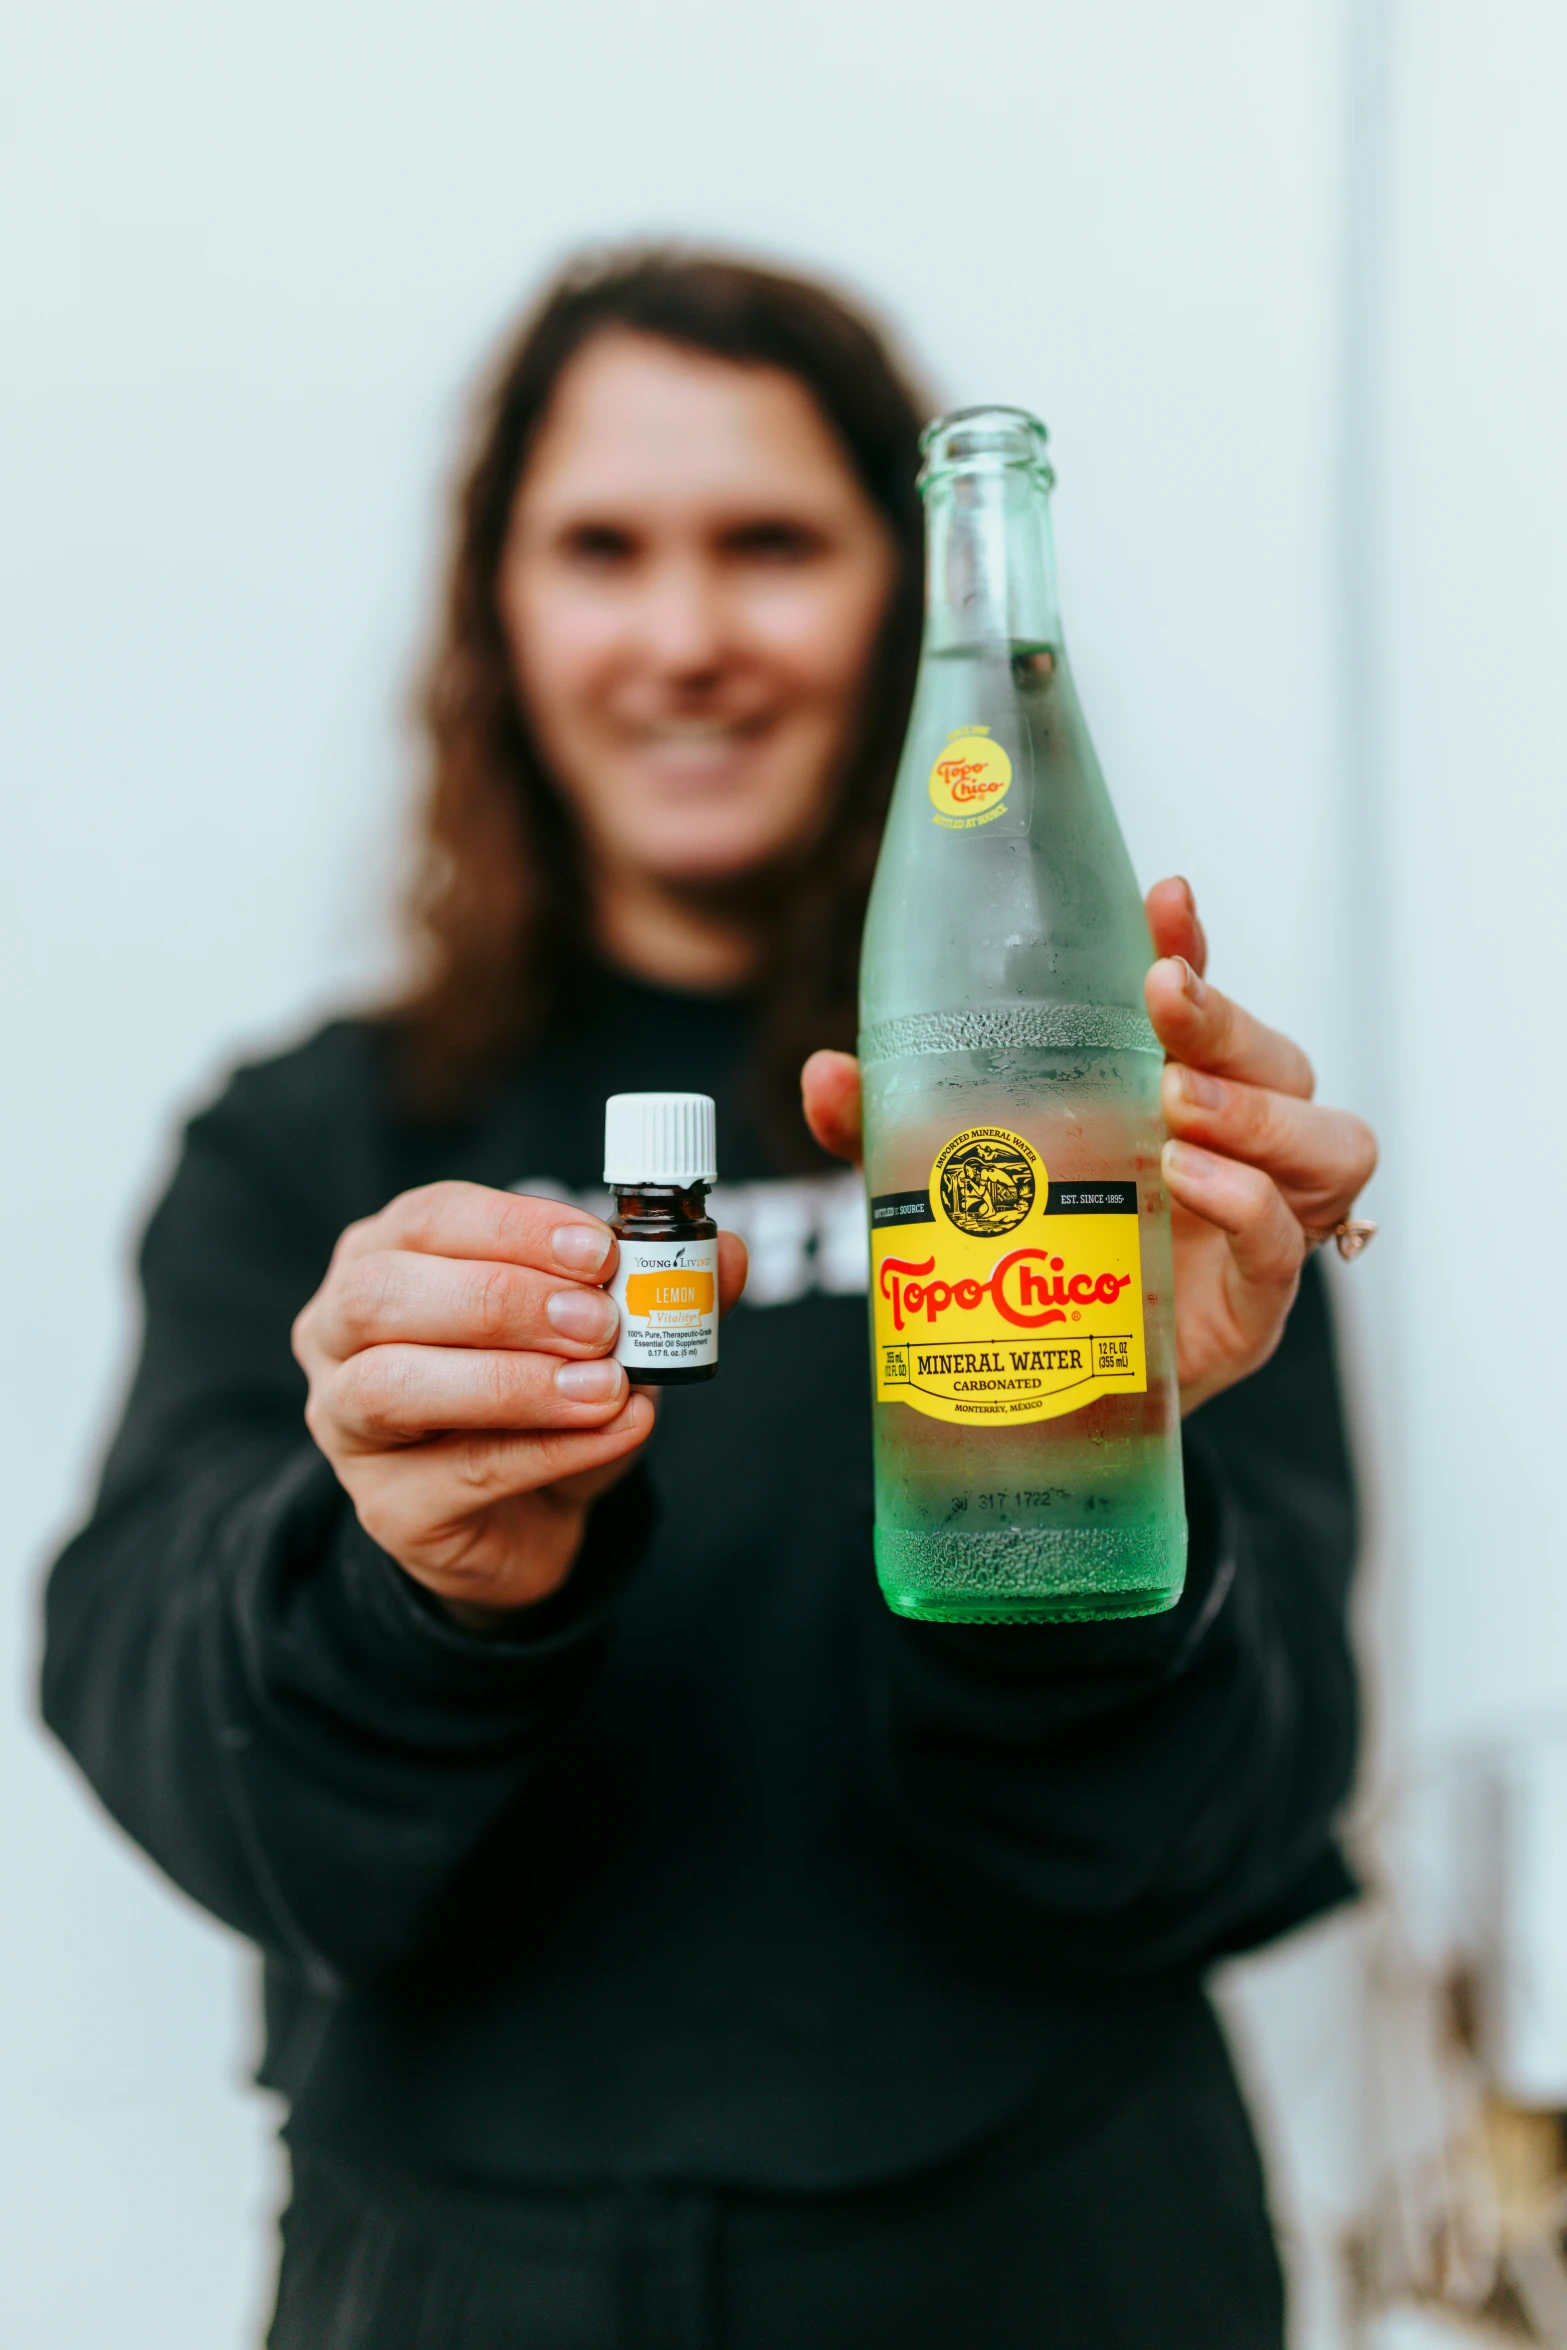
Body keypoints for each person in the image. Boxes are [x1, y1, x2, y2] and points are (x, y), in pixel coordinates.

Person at [41, 249, 1377, 2349]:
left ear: (911, 589)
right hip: (463, 2274)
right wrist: (424, 1586)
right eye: (602, 550)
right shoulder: (308, 1138)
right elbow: (169, 1730)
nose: (686, 638)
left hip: (1058, 2256)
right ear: (500, 610)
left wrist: (1091, 1450)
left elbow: (1247, 1796)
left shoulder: (1128, 1135)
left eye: (768, 544)